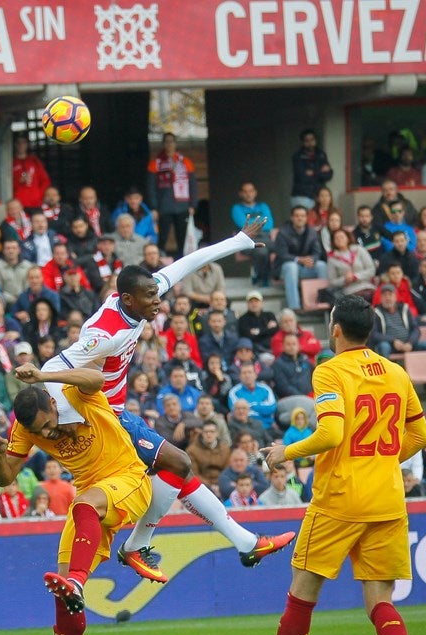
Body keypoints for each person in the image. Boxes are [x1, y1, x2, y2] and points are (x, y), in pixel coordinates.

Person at [41, 218, 294, 582]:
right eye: (151, 298)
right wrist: (68, 418)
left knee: (179, 470)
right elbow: (52, 366)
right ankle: (138, 545)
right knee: (178, 463)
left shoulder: (138, 298)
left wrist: (237, 241)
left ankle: (245, 542)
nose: (158, 303)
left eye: (157, 294)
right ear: (128, 299)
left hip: (116, 412)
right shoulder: (103, 334)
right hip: (103, 418)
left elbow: (187, 263)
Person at [252, 294, 426, 635]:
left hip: (338, 500)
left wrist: (285, 452)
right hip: (387, 500)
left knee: (301, 596)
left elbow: (331, 433)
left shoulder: (329, 370)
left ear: (335, 329)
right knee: (379, 600)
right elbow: (420, 434)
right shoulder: (395, 371)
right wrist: (382, 460)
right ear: (371, 330)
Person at [0, 364, 153, 635]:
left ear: (50, 401)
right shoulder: (25, 429)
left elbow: (97, 378)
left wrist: (46, 376)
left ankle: (76, 580)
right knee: (63, 595)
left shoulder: (73, 393)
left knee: (78, 536)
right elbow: (4, 479)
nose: (48, 432)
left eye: (47, 423)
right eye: (39, 431)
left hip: (128, 479)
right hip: (88, 506)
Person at [146, 132, 197, 254]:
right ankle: (160, 261)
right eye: (166, 142)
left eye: (171, 141)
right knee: (162, 237)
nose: (169, 144)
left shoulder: (186, 162)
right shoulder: (155, 163)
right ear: (163, 144)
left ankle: (182, 262)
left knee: (182, 238)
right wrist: (154, 207)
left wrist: (193, 204)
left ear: (176, 144)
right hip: (164, 206)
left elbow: (193, 185)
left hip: (182, 205)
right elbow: (151, 187)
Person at [273, 207, 327, 311]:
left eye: (302, 216)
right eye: (297, 216)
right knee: (291, 266)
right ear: (292, 218)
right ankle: (294, 306)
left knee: (321, 266)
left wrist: (311, 260)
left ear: (306, 218)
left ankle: (322, 302)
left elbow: (318, 252)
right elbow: (282, 254)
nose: (300, 218)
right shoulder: (283, 232)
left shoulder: (312, 232)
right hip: (285, 268)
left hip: (306, 267)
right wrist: (299, 259)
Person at [231, 181, 275, 286]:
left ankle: (263, 276)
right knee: (262, 251)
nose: (248, 194)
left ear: (255, 192)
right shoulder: (236, 208)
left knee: (281, 248)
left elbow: (269, 224)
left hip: (265, 238)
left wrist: (253, 223)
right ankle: (264, 278)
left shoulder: (263, 206)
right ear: (240, 194)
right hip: (247, 241)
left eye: (251, 191)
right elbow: (244, 224)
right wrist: (260, 223)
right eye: (245, 191)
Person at [290, 129, 333, 209]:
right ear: (303, 142)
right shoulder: (297, 156)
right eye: (307, 140)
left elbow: (329, 175)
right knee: (302, 220)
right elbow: (302, 177)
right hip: (302, 195)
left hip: (318, 196)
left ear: (315, 140)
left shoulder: (321, 154)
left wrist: (313, 173)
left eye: (312, 140)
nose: (310, 143)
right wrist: (320, 172)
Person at [12, 135, 51, 210]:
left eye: (24, 142)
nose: (21, 145)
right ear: (14, 145)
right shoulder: (11, 162)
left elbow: (45, 181)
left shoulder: (34, 161)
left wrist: (39, 195)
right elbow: (5, 186)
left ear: (27, 144)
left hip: (36, 203)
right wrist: (18, 181)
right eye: (18, 143)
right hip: (18, 204)